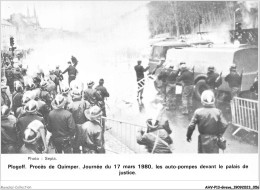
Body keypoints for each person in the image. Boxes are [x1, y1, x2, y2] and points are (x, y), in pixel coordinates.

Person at [67, 88, 89, 153]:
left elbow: (68, 118)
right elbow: (88, 115)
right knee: (85, 145)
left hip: (74, 127)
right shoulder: (85, 103)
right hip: (84, 126)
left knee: (75, 146)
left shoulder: (70, 105)